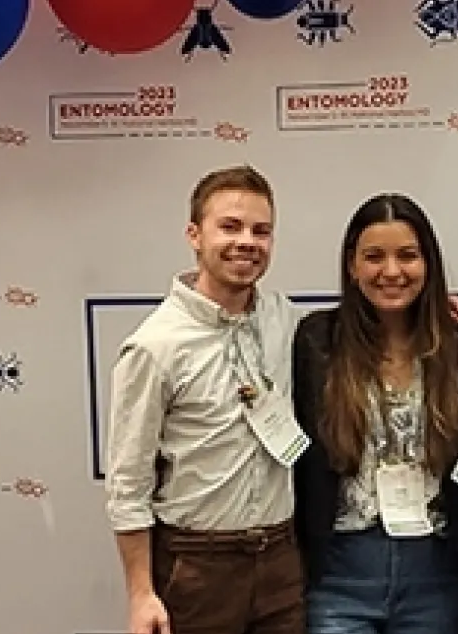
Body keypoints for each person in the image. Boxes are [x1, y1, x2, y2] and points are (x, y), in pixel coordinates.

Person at [104, 165, 309, 634]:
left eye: (261, 231)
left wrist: (441, 312)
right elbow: (127, 483)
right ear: (194, 235)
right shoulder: (156, 346)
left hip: (281, 560)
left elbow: (361, 328)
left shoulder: (283, 319)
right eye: (230, 227)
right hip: (197, 568)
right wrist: (140, 595)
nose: (247, 241)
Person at [291, 193, 458, 634]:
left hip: (437, 576)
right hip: (340, 577)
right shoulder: (317, 341)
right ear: (352, 265)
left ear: (428, 264)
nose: (391, 271)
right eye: (374, 256)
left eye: (408, 256)